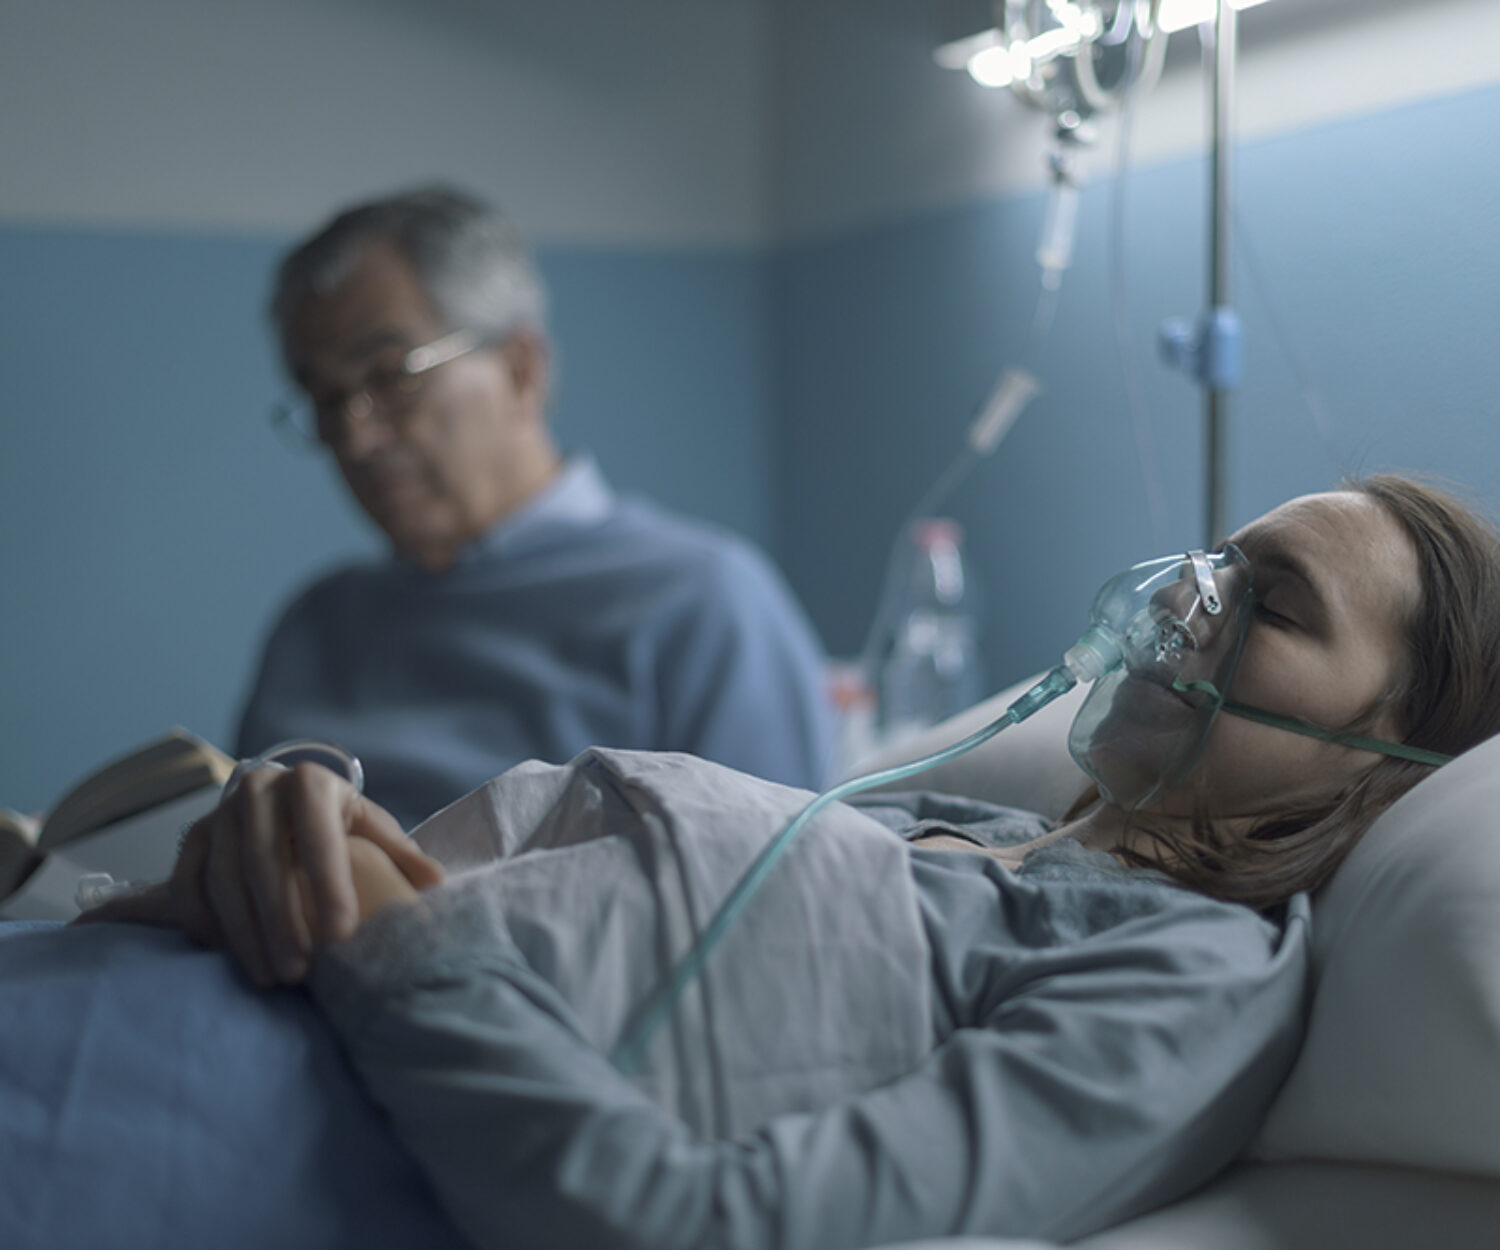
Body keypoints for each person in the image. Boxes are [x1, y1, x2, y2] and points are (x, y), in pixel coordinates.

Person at [88, 476, 1500, 1249]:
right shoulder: (956, 836)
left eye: (1276, 600)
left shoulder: (1188, 972)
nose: (1191, 598)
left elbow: (710, 1225)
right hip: (169, 987)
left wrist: (387, 930)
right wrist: (296, 836)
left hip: (227, 1130)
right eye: (1217, 557)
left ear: (1391, 761)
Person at [237, 186, 835, 827]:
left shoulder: (703, 606)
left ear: (522, 368)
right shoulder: (315, 628)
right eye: (327, 400)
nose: (356, 439)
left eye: (390, 377)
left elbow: (783, 900)